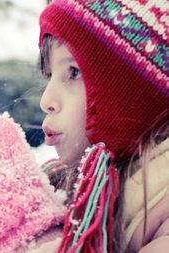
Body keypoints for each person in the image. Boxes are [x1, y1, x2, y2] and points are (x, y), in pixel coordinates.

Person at [35, 0, 169, 252]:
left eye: (74, 73)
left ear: (132, 96)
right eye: (49, 75)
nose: (46, 101)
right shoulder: (64, 190)